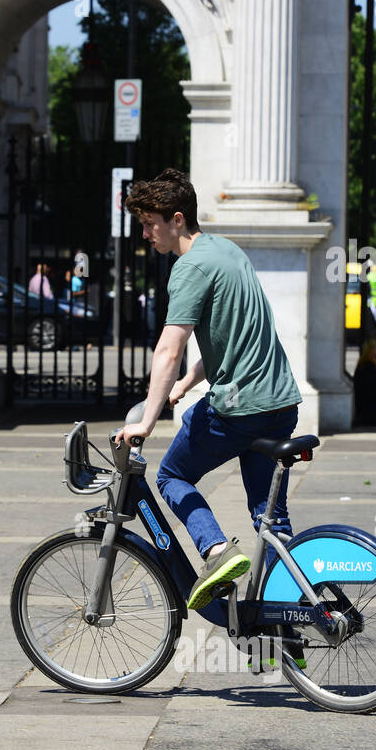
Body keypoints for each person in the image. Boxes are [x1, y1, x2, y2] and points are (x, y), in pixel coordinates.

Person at [115, 169, 303, 611]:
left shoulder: (189, 268)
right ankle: (288, 615)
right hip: (281, 403)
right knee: (270, 520)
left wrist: (146, 421)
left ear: (177, 220)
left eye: (150, 224)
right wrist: (185, 384)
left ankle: (217, 551)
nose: (145, 234)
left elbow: (169, 348)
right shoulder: (227, 251)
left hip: (240, 410)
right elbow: (231, 341)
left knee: (171, 475)